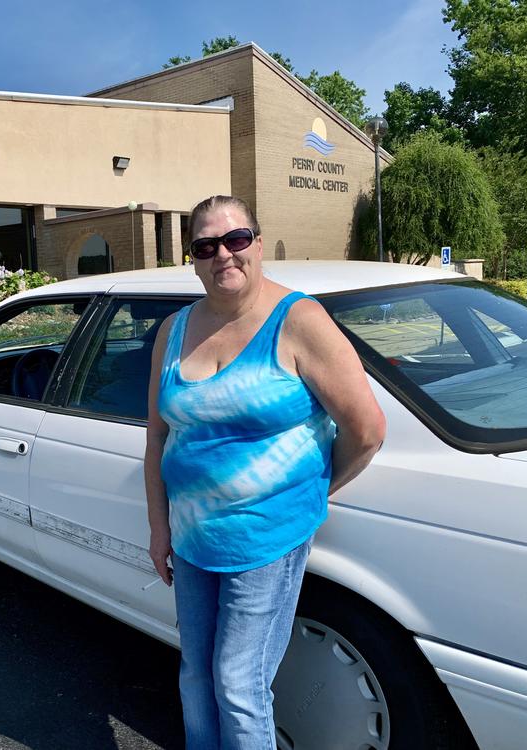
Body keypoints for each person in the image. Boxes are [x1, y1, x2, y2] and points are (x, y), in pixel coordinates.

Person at [144, 195, 386, 749]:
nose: (223, 255)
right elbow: (159, 434)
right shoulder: (174, 331)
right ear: (193, 257)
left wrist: (309, 492)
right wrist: (159, 528)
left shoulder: (299, 321)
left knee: (238, 683)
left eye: (236, 240)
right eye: (206, 246)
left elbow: (367, 430)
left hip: (265, 541)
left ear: (257, 241)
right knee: (195, 674)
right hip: (192, 538)